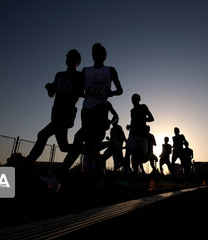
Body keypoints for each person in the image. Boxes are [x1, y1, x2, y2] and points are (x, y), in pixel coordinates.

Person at [26, 49, 83, 163]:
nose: (68, 59)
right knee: (64, 147)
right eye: (67, 57)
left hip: (66, 113)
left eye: (71, 57)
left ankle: (27, 163)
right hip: (55, 112)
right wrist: (49, 89)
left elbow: (79, 94)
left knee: (42, 135)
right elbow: (52, 94)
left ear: (77, 61)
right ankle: (90, 150)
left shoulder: (79, 76)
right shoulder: (59, 74)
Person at [81, 43, 123, 171]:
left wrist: (112, 93)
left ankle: (98, 173)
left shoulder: (110, 70)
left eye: (99, 53)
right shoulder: (85, 70)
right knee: (88, 144)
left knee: (93, 143)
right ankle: (97, 173)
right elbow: (79, 90)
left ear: (104, 56)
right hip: (86, 110)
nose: (96, 55)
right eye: (94, 52)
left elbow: (120, 90)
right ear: (92, 55)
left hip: (100, 109)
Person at [125, 93, 154, 173]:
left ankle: (139, 171)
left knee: (142, 156)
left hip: (142, 135)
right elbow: (133, 122)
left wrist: (143, 120)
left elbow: (151, 118)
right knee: (128, 152)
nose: (134, 100)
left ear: (139, 100)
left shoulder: (143, 107)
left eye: (136, 99)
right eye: (133, 99)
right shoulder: (132, 111)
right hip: (133, 134)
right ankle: (127, 172)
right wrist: (129, 126)